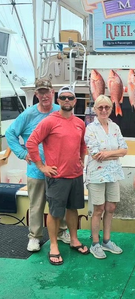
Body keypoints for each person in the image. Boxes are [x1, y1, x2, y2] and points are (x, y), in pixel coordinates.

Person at [26, 85, 89, 265]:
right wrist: (42, 166)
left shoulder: (79, 123)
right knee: (54, 213)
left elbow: (82, 146)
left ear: (75, 101)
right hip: (57, 177)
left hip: (75, 175)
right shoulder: (49, 121)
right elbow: (31, 143)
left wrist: (81, 159)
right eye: (63, 98)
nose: (67, 101)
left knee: (73, 209)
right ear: (58, 101)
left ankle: (74, 240)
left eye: (70, 98)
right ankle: (53, 245)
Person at [5, 79, 70, 252]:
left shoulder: (60, 111)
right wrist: (22, 153)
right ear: (36, 94)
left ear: (52, 92)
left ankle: (62, 232)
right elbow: (10, 133)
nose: (44, 96)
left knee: (58, 203)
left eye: (47, 91)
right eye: (40, 92)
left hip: (58, 170)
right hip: (36, 170)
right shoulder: (28, 114)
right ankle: (34, 237)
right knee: (36, 205)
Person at [84, 95, 128, 259]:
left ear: (111, 109)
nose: (103, 110)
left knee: (111, 207)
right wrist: (115, 154)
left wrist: (108, 154)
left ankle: (106, 241)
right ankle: (95, 243)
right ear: (95, 109)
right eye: (100, 107)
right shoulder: (90, 129)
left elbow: (124, 150)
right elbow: (95, 154)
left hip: (113, 173)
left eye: (107, 107)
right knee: (98, 209)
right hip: (96, 175)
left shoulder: (115, 127)